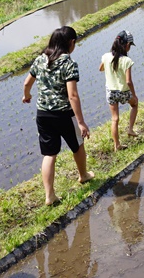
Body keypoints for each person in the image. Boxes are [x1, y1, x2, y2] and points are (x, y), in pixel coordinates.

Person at [22, 25, 93, 207]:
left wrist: (27, 96)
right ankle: (83, 175)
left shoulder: (40, 60)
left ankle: (49, 196)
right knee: (77, 145)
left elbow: (27, 83)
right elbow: (72, 95)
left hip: (43, 114)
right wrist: (81, 122)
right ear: (71, 42)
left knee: (49, 154)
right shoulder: (68, 63)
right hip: (63, 114)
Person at [99, 30, 139, 151]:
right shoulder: (126, 61)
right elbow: (128, 81)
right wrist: (134, 94)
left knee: (115, 119)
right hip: (123, 92)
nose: (130, 47)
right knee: (134, 105)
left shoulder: (106, 56)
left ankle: (117, 145)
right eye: (130, 45)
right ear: (126, 45)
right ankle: (130, 129)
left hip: (111, 92)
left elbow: (100, 68)